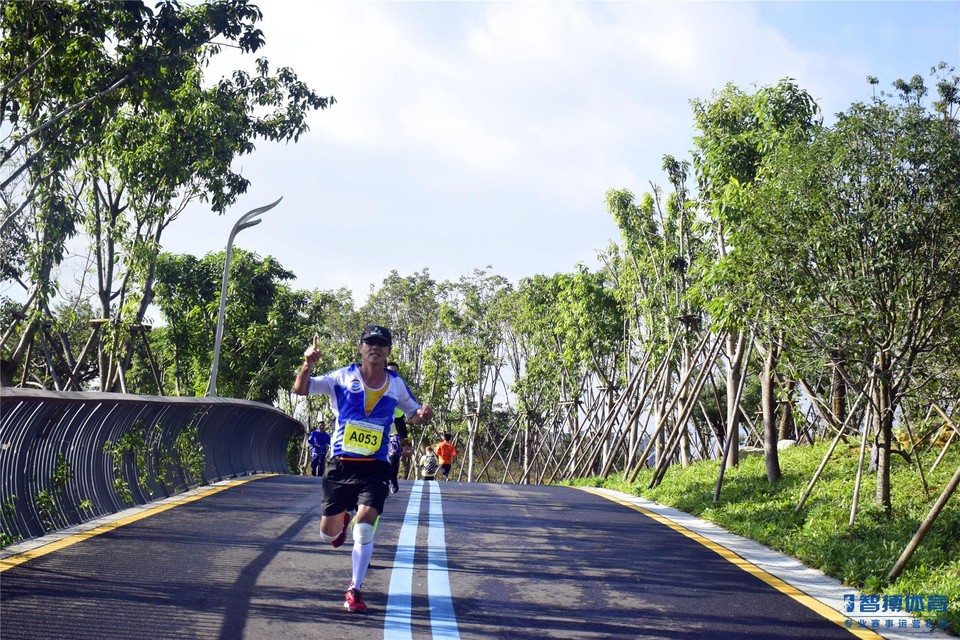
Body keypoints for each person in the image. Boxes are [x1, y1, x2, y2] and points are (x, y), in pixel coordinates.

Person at [294, 324, 433, 613]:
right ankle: (341, 521)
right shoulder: (341, 377)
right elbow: (301, 389)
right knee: (328, 535)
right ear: (361, 348)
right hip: (342, 465)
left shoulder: (396, 384)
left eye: (381, 344)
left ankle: (354, 589)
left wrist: (422, 415)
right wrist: (307, 365)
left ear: (388, 351)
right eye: (370, 342)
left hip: (375, 467)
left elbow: (413, 415)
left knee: (365, 529)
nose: (375, 348)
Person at [385, 362, 408, 494]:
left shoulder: (401, 389)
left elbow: (401, 419)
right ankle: (382, 481)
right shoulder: (377, 385)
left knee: (394, 457)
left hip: (395, 432)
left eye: (395, 371)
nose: (392, 373)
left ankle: (393, 478)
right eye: (389, 371)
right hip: (379, 431)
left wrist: (406, 441)